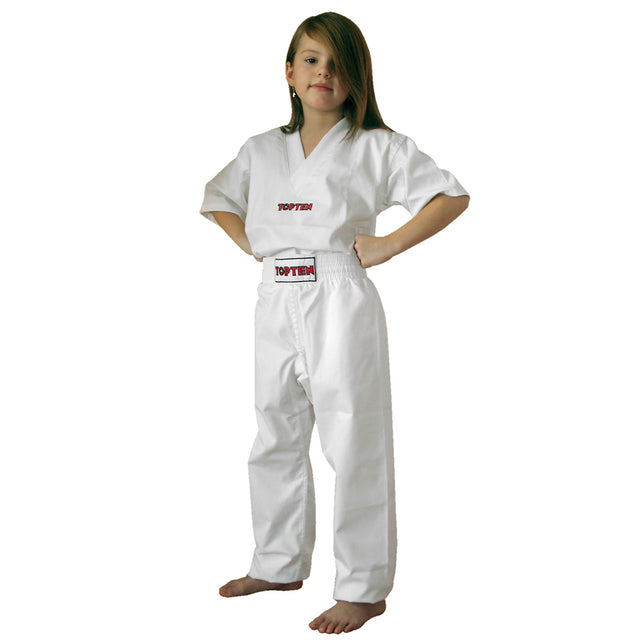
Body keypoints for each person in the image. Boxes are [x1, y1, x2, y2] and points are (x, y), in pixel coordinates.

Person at [199, 11, 470, 634]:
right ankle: (277, 563)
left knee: (353, 438)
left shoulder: (377, 146)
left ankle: (363, 587)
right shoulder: (261, 150)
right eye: (311, 59)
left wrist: (388, 245)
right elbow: (218, 197)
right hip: (275, 293)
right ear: (289, 73)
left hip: (338, 292)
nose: (323, 72)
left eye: (337, 63)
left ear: (356, 77)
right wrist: (250, 243)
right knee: (274, 429)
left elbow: (450, 196)